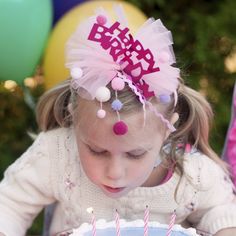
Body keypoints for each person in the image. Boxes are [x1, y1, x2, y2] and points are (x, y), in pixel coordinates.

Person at [0, 6, 236, 236]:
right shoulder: (58, 153)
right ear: (73, 117)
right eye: (96, 150)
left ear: (167, 129)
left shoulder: (193, 175)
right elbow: (9, 206)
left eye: (135, 154)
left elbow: (223, 212)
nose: (114, 173)